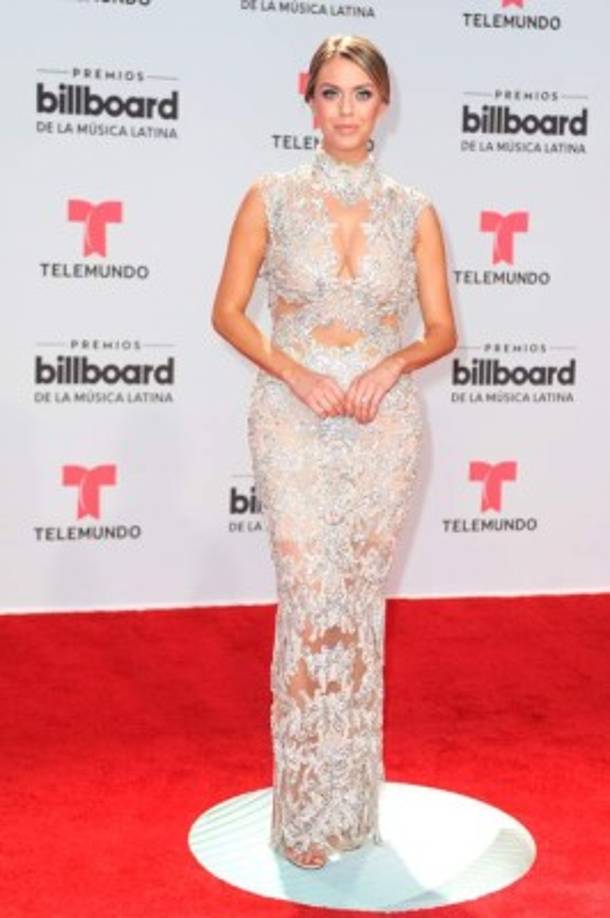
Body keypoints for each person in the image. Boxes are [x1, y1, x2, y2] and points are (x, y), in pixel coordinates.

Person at [211, 34, 456, 870]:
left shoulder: (414, 209)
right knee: (311, 594)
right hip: (292, 415)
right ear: (307, 100)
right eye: (330, 93)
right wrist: (295, 371)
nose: (345, 110)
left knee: (355, 606)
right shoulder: (270, 197)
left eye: (360, 94)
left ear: (382, 104)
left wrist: (391, 365)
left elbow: (442, 329)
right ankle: (305, 807)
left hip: (384, 426)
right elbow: (230, 311)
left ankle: (351, 805)